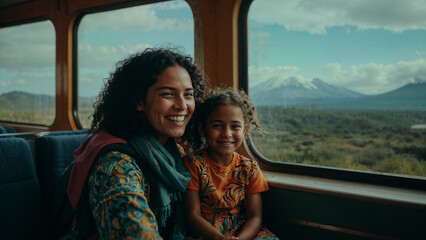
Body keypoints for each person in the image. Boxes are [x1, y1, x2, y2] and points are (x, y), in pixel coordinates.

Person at [59, 48, 206, 240]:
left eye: (188, 95)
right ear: (139, 101)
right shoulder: (115, 164)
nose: (182, 105)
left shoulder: (174, 151)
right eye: (168, 94)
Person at [184, 89, 278, 240]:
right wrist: (220, 238)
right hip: (206, 233)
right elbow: (192, 215)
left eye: (235, 126)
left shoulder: (249, 169)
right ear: (203, 130)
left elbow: (255, 217)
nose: (227, 133)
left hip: (240, 232)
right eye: (217, 125)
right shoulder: (194, 164)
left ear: (244, 130)